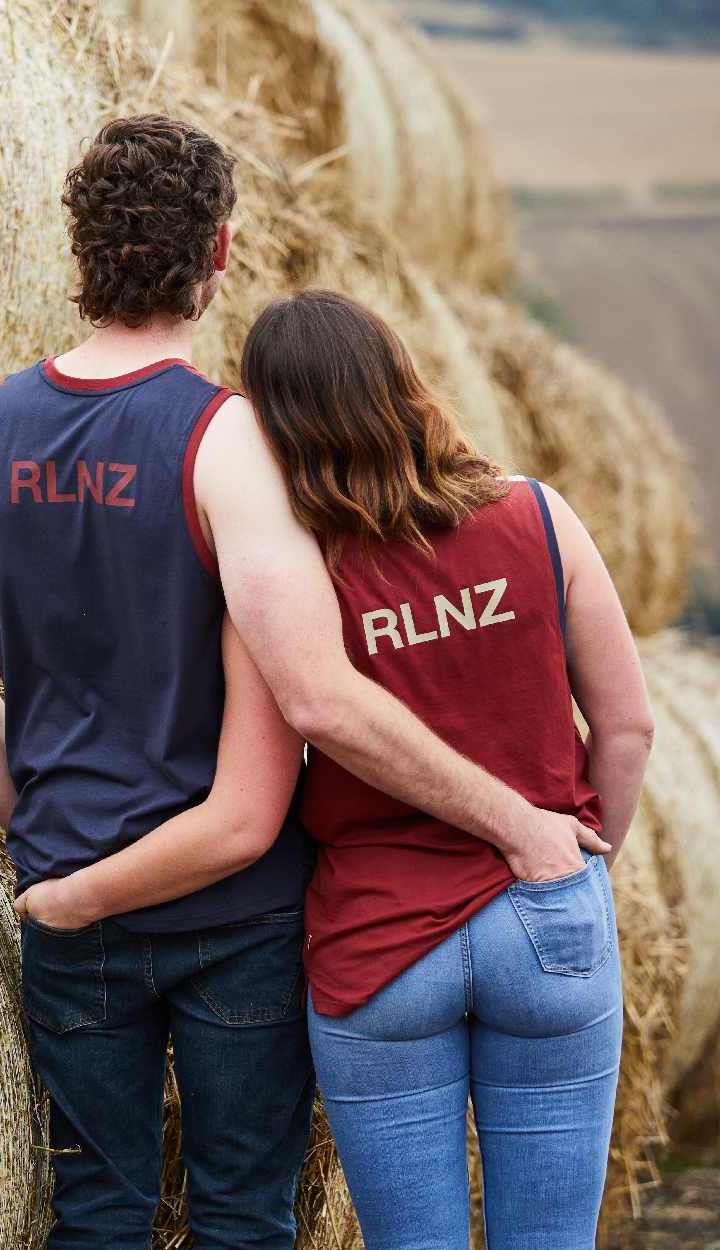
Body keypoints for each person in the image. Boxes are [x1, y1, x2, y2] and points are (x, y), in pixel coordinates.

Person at [0, 115, 607, 1249]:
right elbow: (310, 695)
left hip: (69, 896)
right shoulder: (227, 441)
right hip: (231, 916)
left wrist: (52, 846)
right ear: (221, 252)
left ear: (77, 252)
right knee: (242, 1215)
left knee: (94, 1213)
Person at [233, 288, 655, 1250]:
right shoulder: (537, 517)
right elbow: (627, 728)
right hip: (545, 913)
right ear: (406, 382)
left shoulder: (293, 575)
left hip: (380, 941)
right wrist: (581, 866)